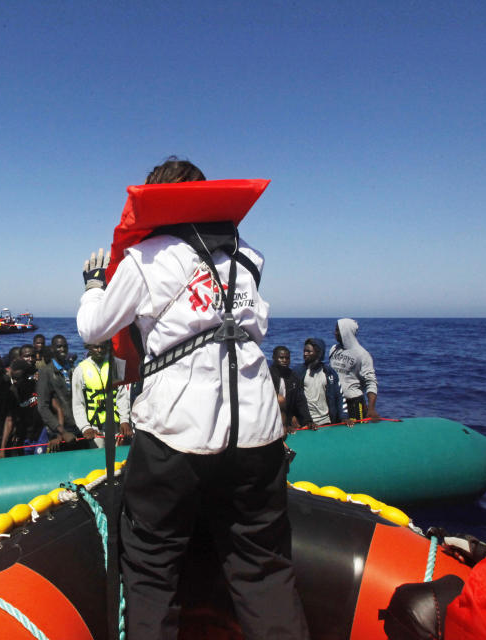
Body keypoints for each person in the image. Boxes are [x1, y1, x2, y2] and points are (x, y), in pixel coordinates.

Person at [77, 157, 308, 639]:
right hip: (259, 435)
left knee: (151, 567)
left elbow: (94, 328)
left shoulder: (149, 258)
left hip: (174, 436)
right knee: (263, 570)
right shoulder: (251, 258)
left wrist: (94, 286)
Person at [71, 342, 133, 448]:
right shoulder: (80, 370)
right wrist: (85, 427)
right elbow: (78, 403)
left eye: (103, 347)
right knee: (98, 460)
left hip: (116, 427)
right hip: (95, 429)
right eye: (96, 346)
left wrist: (124, 420)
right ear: (89, 347)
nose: (99, 350)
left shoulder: (116, 365)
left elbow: (122, 396)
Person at [36, 335, 82, 452]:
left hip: (77, 427)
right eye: (59, 346)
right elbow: (43, 406)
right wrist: (61, 431)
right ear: (52, 348)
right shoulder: (45, 372)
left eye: (65, 346)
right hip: (59, 432)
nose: (63, 349)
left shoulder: (72, 369)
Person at [329, 318, 380, 422]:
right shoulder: (333, 349)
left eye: (338, 330)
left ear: (345, 331)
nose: (335, 333)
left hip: (353, 402)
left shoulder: (362, 354)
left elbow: (371, 382)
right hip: (334, 402)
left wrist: (371, 408)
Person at [293, 338, 350, 427]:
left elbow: (339, 396)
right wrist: (292, 417)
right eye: (304, 351)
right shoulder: (298, 372)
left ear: (318, 353)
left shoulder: (329, 372)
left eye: (308, 351)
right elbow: (291, 398)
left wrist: (344, 417)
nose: (305, 354)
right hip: (307, 423)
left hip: (327, 421)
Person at [269, 346, 313, 432]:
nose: (285, 360)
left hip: (288, 419)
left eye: (287, 358)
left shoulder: (293, 377)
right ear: (274, 358)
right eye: (281, 358)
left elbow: (300, 401)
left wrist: (307, 421)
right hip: (270, 420)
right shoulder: (267, 376)